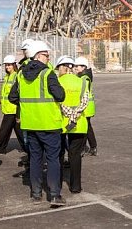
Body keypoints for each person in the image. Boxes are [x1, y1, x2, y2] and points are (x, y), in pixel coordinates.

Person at [9, 41, 66, 207]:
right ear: (39, 56)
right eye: (47, 55)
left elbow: (13, 97)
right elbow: (60, 95)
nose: (49, 58)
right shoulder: (48, 74)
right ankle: (54, 195)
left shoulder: (20, 75)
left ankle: (36, 194)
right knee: (53, 159)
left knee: (35, 159)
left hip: (30, 124)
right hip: (49, 124)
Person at [60, 57, 90, 194]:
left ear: (62, 68)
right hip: (79, 123)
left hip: (61, 123)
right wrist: (74, 114)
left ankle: (57, 183)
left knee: (58, 154)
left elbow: (58, 103)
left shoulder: (57, 82)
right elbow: (85, 102)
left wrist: (68, 113)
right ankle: (75, 186)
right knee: (75, 155)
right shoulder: (82, 82)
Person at [0, 55, 27, 156]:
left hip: (13, 109)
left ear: (14, 65)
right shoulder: (7, 77)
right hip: (7, 108)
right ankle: (27, 148)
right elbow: (5, 93)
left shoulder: (17, 76)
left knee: (4, 130)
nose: (7, 67)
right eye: (6, 65)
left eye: (9, 65)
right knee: (19, 131)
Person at [74, 57, 97, 156]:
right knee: (87, 127)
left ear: (83, 67)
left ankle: (83, 148)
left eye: (77, 66)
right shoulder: (85, 76)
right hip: (88, 106)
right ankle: (93, 147)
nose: (75, 68)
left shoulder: (84, 78)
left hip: (86, 107)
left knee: (84, 128)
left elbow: (82, 93)